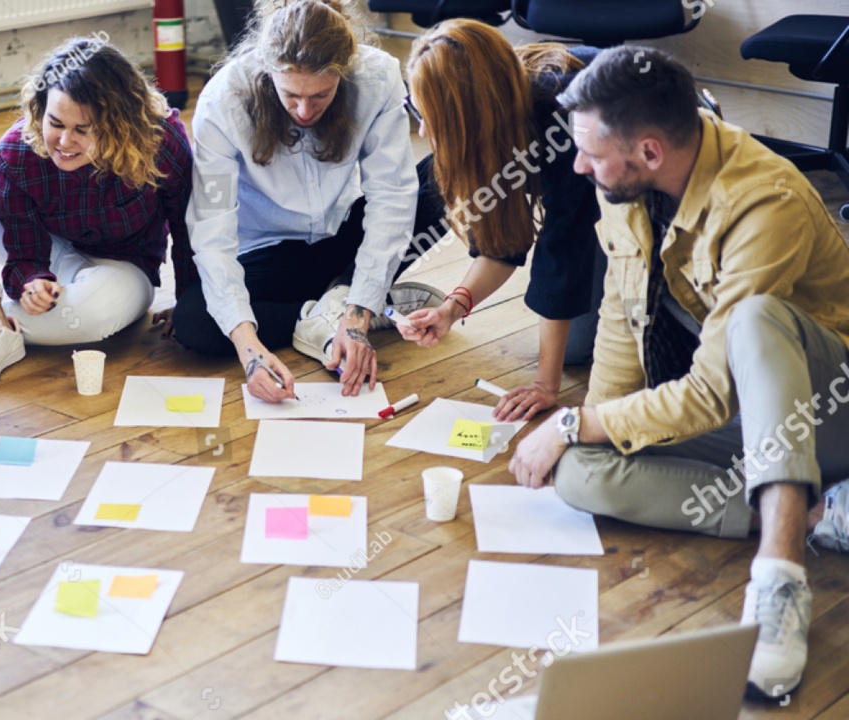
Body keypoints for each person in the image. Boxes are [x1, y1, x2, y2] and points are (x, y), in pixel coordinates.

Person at [507, 46, 849, 699]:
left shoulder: (763, 201)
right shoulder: (624, 182)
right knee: (580, 470)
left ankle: (779, 577)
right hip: (742, 408)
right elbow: (618, 310)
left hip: (826, 407)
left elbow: (714, 388)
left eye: (590, 153)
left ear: (651, 152)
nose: (578, 166)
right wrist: (582, 428)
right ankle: (815, 511)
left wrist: (579, 418)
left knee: (754, 320)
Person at [0, 38, 195, 385]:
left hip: (122, 268)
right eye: (55, 122)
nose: (64, 141)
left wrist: (191, 301)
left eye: (83, 130)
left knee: (91, 318)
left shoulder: (162, 141)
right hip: (47, 248)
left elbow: (187, 226)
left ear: (119, 125)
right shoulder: (17, 153)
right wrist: (31, 281)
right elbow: (24, 253)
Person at [174, 0, 441, 402]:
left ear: (344, 71)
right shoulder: (221, 103)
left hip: (342, 235)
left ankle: (350, 304)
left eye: (321, 95)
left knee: (445, 176)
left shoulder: (378, 77)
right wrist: (249, 351)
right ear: (267, 69)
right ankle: (322, 312)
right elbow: (212, 233)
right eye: (291, 95)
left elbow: (393, 197)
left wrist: (354, 322)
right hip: (271, 253)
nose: (304, 109)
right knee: (195, 322)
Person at [398, 20, 603, 422]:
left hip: (660, 194)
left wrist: (546, 385)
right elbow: (502, 244)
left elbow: (563, 248)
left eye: (429, 115)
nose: (422, 129)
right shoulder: (493, 118)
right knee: (574, 344)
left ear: (466, 112)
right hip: (591, 199)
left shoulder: (560, 117)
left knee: (576, 349)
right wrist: (451, 310)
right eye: (415, 111)